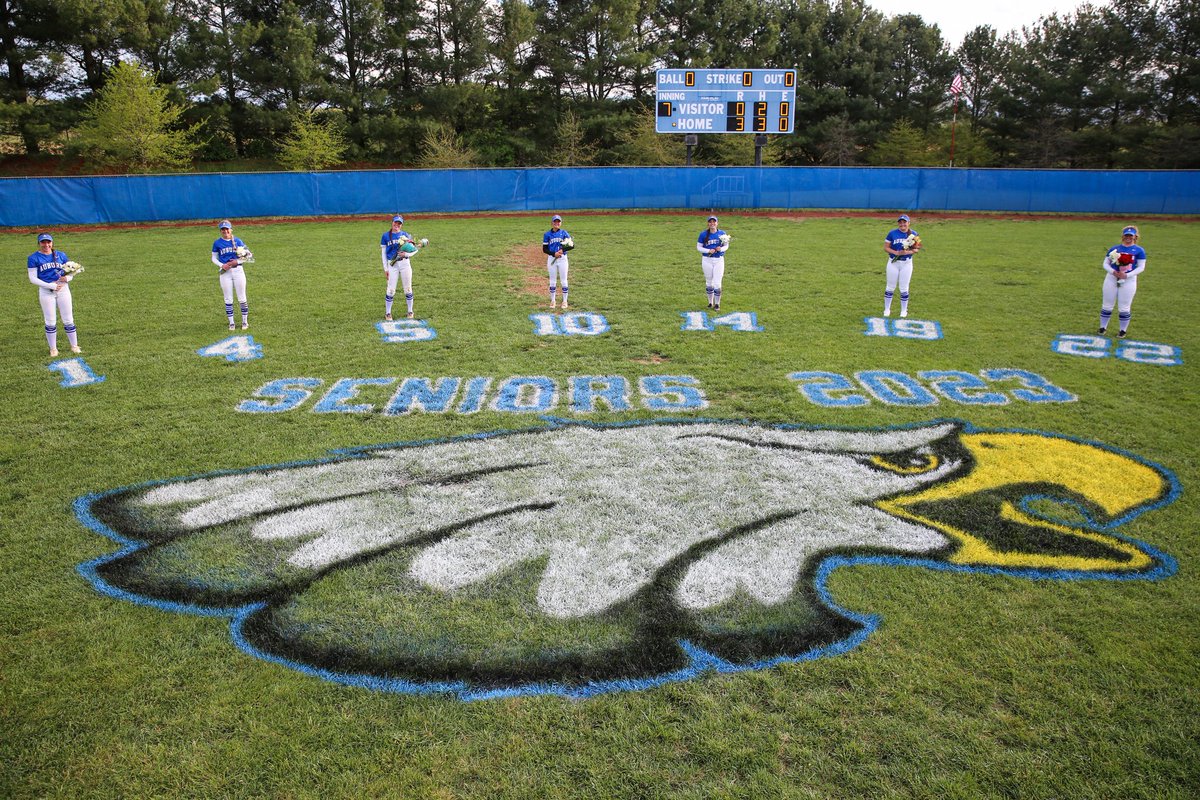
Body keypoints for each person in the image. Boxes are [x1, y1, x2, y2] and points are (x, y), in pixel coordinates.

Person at [27, 232, 81, 357]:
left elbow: (71, 271)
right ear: (39, 243)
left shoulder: (61, 255)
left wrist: (68, 279)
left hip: (63, 290)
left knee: (68, 319)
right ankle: (53, 349)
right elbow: (32, 278)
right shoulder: (33, 258)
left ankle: (74, 345)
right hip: (46, 292)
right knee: (50, 321)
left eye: (48, 242)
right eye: (43, 242)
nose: (46, 244)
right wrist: (50, 285)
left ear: (52, 242)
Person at [1099, 225, 1147, 338]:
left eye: (1130, 235)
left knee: (1124, 307)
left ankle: (1122, 330)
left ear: (1135, 237)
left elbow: (1141, 267)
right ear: (1123, 236)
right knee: (1107, 305)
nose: (1128, 237)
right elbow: (1105, 263)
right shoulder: (1114, 249)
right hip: (1111, 278)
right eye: (1126, 235)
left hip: (1128, 281)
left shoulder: (1139, 250)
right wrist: (1113, 272)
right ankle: (1102, 327)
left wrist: (1127, 275)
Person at [381, 214, 423, 320]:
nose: (397, 225)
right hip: (393, 265)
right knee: (391, 289)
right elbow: (383, 254)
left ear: (402, 225)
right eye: (395, 222)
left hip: (405, 264)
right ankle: (388, 313)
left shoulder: (405, 235)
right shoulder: (385, 236)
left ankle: (410, 311)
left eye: (399, 223)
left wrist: (406, 254)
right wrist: (386, 269)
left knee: (408, 288)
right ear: (392, 222)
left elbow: (414, 250)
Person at [211, 220, 251, 330]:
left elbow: (247, 256)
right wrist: (221, 265)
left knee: (242, 297)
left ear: (231, 229)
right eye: (223, 229)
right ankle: (231, 323)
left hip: (238, 271)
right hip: (225, 273)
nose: (225, 231)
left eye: (227, 229)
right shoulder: (217, 243)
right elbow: (213, 258)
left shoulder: (237, 241)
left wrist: (237, 262)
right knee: (228, 299)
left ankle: (244, 322)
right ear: (220, 231)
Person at [883, 214, 922, 318]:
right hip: (893, 263)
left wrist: (907, 252)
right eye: (900, 222)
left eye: (904, 222)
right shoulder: (892, 233)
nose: (902, 224)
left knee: (904, 288)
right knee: (890, 287)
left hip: (907, 263)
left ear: (908, 223)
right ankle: (887, 309)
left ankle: (904, 311)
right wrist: (896, 253)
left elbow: (917, 249)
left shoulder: (914, 234)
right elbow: (886, 247)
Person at [696, 215, 730, 310]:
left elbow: (726, 246)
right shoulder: (703, 234)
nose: (712, 223)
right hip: (707, 260)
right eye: (710, 222)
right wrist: (708, 251)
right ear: (708, 223)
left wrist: (721, 248)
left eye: (714, 222)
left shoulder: (722, 234)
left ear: (717, 223)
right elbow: (698, 247)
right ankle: (710, 302)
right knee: (709, 282)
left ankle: (717, 304)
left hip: (719, 260)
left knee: (717, 283)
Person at [542, 214, 573, 309]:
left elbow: (571, 245)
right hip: (552, 259)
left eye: (558, 221)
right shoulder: (547, 234)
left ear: (561, 223)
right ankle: (553, 301)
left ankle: (564, 301)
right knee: (552, 281)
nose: (556, 223)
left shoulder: (564, 233)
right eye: (555, 221)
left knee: (564, 280)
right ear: (552, 223)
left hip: (563, 259)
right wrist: (553, 254)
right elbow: (544, 249)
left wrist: (562, 250)